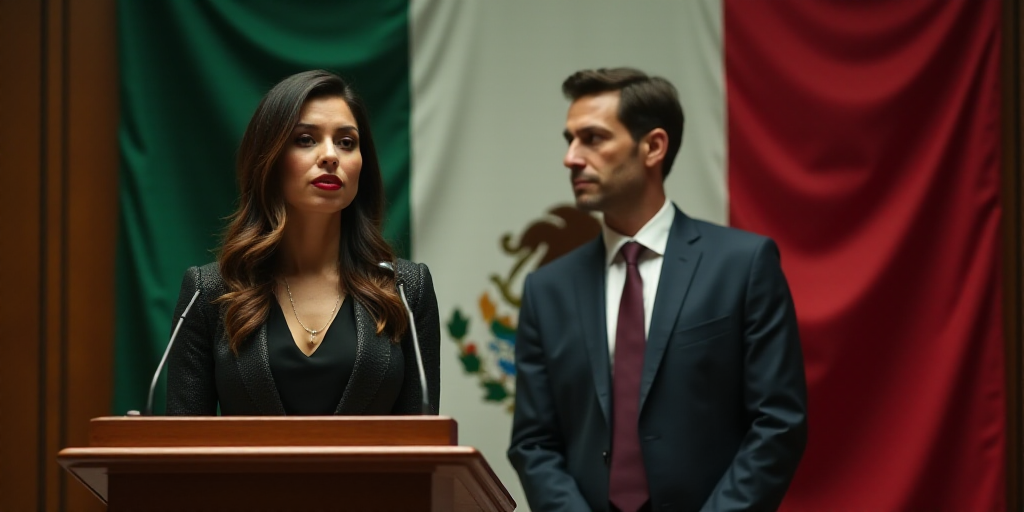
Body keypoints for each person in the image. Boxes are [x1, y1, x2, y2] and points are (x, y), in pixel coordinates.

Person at [508, 68, 807, 512]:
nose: (571, 157)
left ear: (653, 147)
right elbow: (534, 442)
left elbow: (778, 423)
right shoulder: (546, 289)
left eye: (592, 138)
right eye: (569, 139)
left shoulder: (742, 265)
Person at [166, 70, 440, 416]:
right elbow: (182, 448)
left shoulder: (405, 290)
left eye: (346, 142)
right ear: (270, 159)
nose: (330, 156)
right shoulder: (208, 293)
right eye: (306, 139)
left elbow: (423, 445)